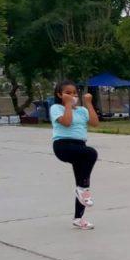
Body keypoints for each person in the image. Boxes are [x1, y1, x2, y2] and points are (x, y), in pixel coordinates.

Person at [50, 80, 100, 230]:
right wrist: (67, 104)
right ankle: (83, 189)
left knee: (81, 180)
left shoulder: (82, 110)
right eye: (68, 93)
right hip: (63, 145)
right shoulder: (56, 108)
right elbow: (66, 122)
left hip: (79, 146)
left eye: (74, 93)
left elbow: (95, 123)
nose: (72, 96)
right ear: (59, 94)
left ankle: (79, 218)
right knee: (92, 153)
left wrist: (89, 103)